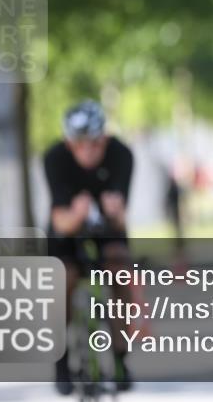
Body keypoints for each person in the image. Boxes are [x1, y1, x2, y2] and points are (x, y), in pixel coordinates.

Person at [45, 100, 135, 394]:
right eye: (79, 144)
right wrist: (77, 215)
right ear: (69, 144)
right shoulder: (54, 158)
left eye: (93, 144)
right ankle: (61, 364)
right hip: (67, 235)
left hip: (107, 231)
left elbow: (121, 220)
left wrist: (114, 211)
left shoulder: (121, 155)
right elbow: (59, 221)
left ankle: (121, 358)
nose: (87, 151)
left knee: (121, 271)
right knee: (63, 281)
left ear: (104, 139)